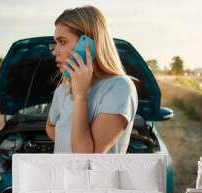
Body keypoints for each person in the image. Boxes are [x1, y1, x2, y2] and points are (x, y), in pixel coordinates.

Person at [45, 5, 138, 153]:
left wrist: (80, 96)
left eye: (62, 42)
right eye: (55, 43)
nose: (54, 51)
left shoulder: (120, 87)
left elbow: (87, 157)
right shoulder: (63, 89)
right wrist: (66, 147)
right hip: (63, 175)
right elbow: (50, 126)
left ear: (88, 44)